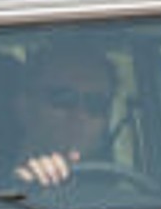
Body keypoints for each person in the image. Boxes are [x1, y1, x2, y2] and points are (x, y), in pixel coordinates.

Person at [10, 44, 117, 188]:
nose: (80, 115)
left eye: (96, 104)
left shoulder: (131, 197)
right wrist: (16, 190)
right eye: (64, 99)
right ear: (25, 107)